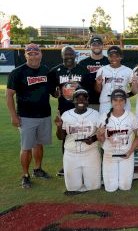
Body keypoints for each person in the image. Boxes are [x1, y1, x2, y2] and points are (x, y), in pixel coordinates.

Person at [6, 44, 52, 189]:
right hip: (26, 116)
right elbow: (8, 95)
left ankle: (37, 169)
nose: (33, 56)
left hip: (44, 114)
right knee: (26, 147)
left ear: (41, 55)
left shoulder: (46, 70)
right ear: (26, 55)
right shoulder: (17, 72)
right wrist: (13, 116)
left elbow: (52, 91)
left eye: (36, 53)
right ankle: (25, 176)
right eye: (30, 54)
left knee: (39, 144)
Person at [48, 46, 89, 177]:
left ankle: (85, 164)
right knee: (65, 137)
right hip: (65, 109)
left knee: (83, 134)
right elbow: (51, 89)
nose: (69, 57)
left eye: (71, 54)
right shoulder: (55, 71)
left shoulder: (83, 70)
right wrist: (55, 93)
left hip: (82, 109)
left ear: (75, 55)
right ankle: (67, 165)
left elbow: (89, 89)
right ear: (62, 56)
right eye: (66, 55)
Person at [54, 89, 101, 194]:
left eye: (84, 98)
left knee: (94, 187)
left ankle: (88, 178)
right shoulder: (66, 115)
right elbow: (60, 137)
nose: (81, 101)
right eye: (78, 98)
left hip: (90, 153)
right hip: (71, 154)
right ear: (73, 101)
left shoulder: (95, 114)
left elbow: (101, 134)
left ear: (88, 101)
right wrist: (59, 127)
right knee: (72, 188)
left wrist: (93, 139)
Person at [97, 89, 138, 192]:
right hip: (109, 155)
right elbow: (101, 140)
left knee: (125, 187)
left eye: (121, 100)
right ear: (111, 102)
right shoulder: (103, 117)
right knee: (110, 188)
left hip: (126, 155)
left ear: (125, 102)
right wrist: (100, 134)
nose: (118, 103)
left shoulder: (131, 116)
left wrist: (130, 152)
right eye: (115, 100)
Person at [95, 46, 134, 114]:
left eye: (116, 56)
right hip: (106, 102)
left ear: (121, 57)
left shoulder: (128, 71)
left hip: (123, 102)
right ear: (108, 57)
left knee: (125, 123)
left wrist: (126, 95)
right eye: (111, 56)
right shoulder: (102, 70)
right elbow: (98, 90)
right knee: (104, 123)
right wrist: (98, 83)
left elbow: (134, 90)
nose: (114, 58)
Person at [78, 36, 109, 112]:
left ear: (102, 46)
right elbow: (80, 84)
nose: (96, 46)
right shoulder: (82, 63)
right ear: (90, 46)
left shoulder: (109, 62)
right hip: (89, 102)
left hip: (107, 102)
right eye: (94, 44)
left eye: (99, 44)